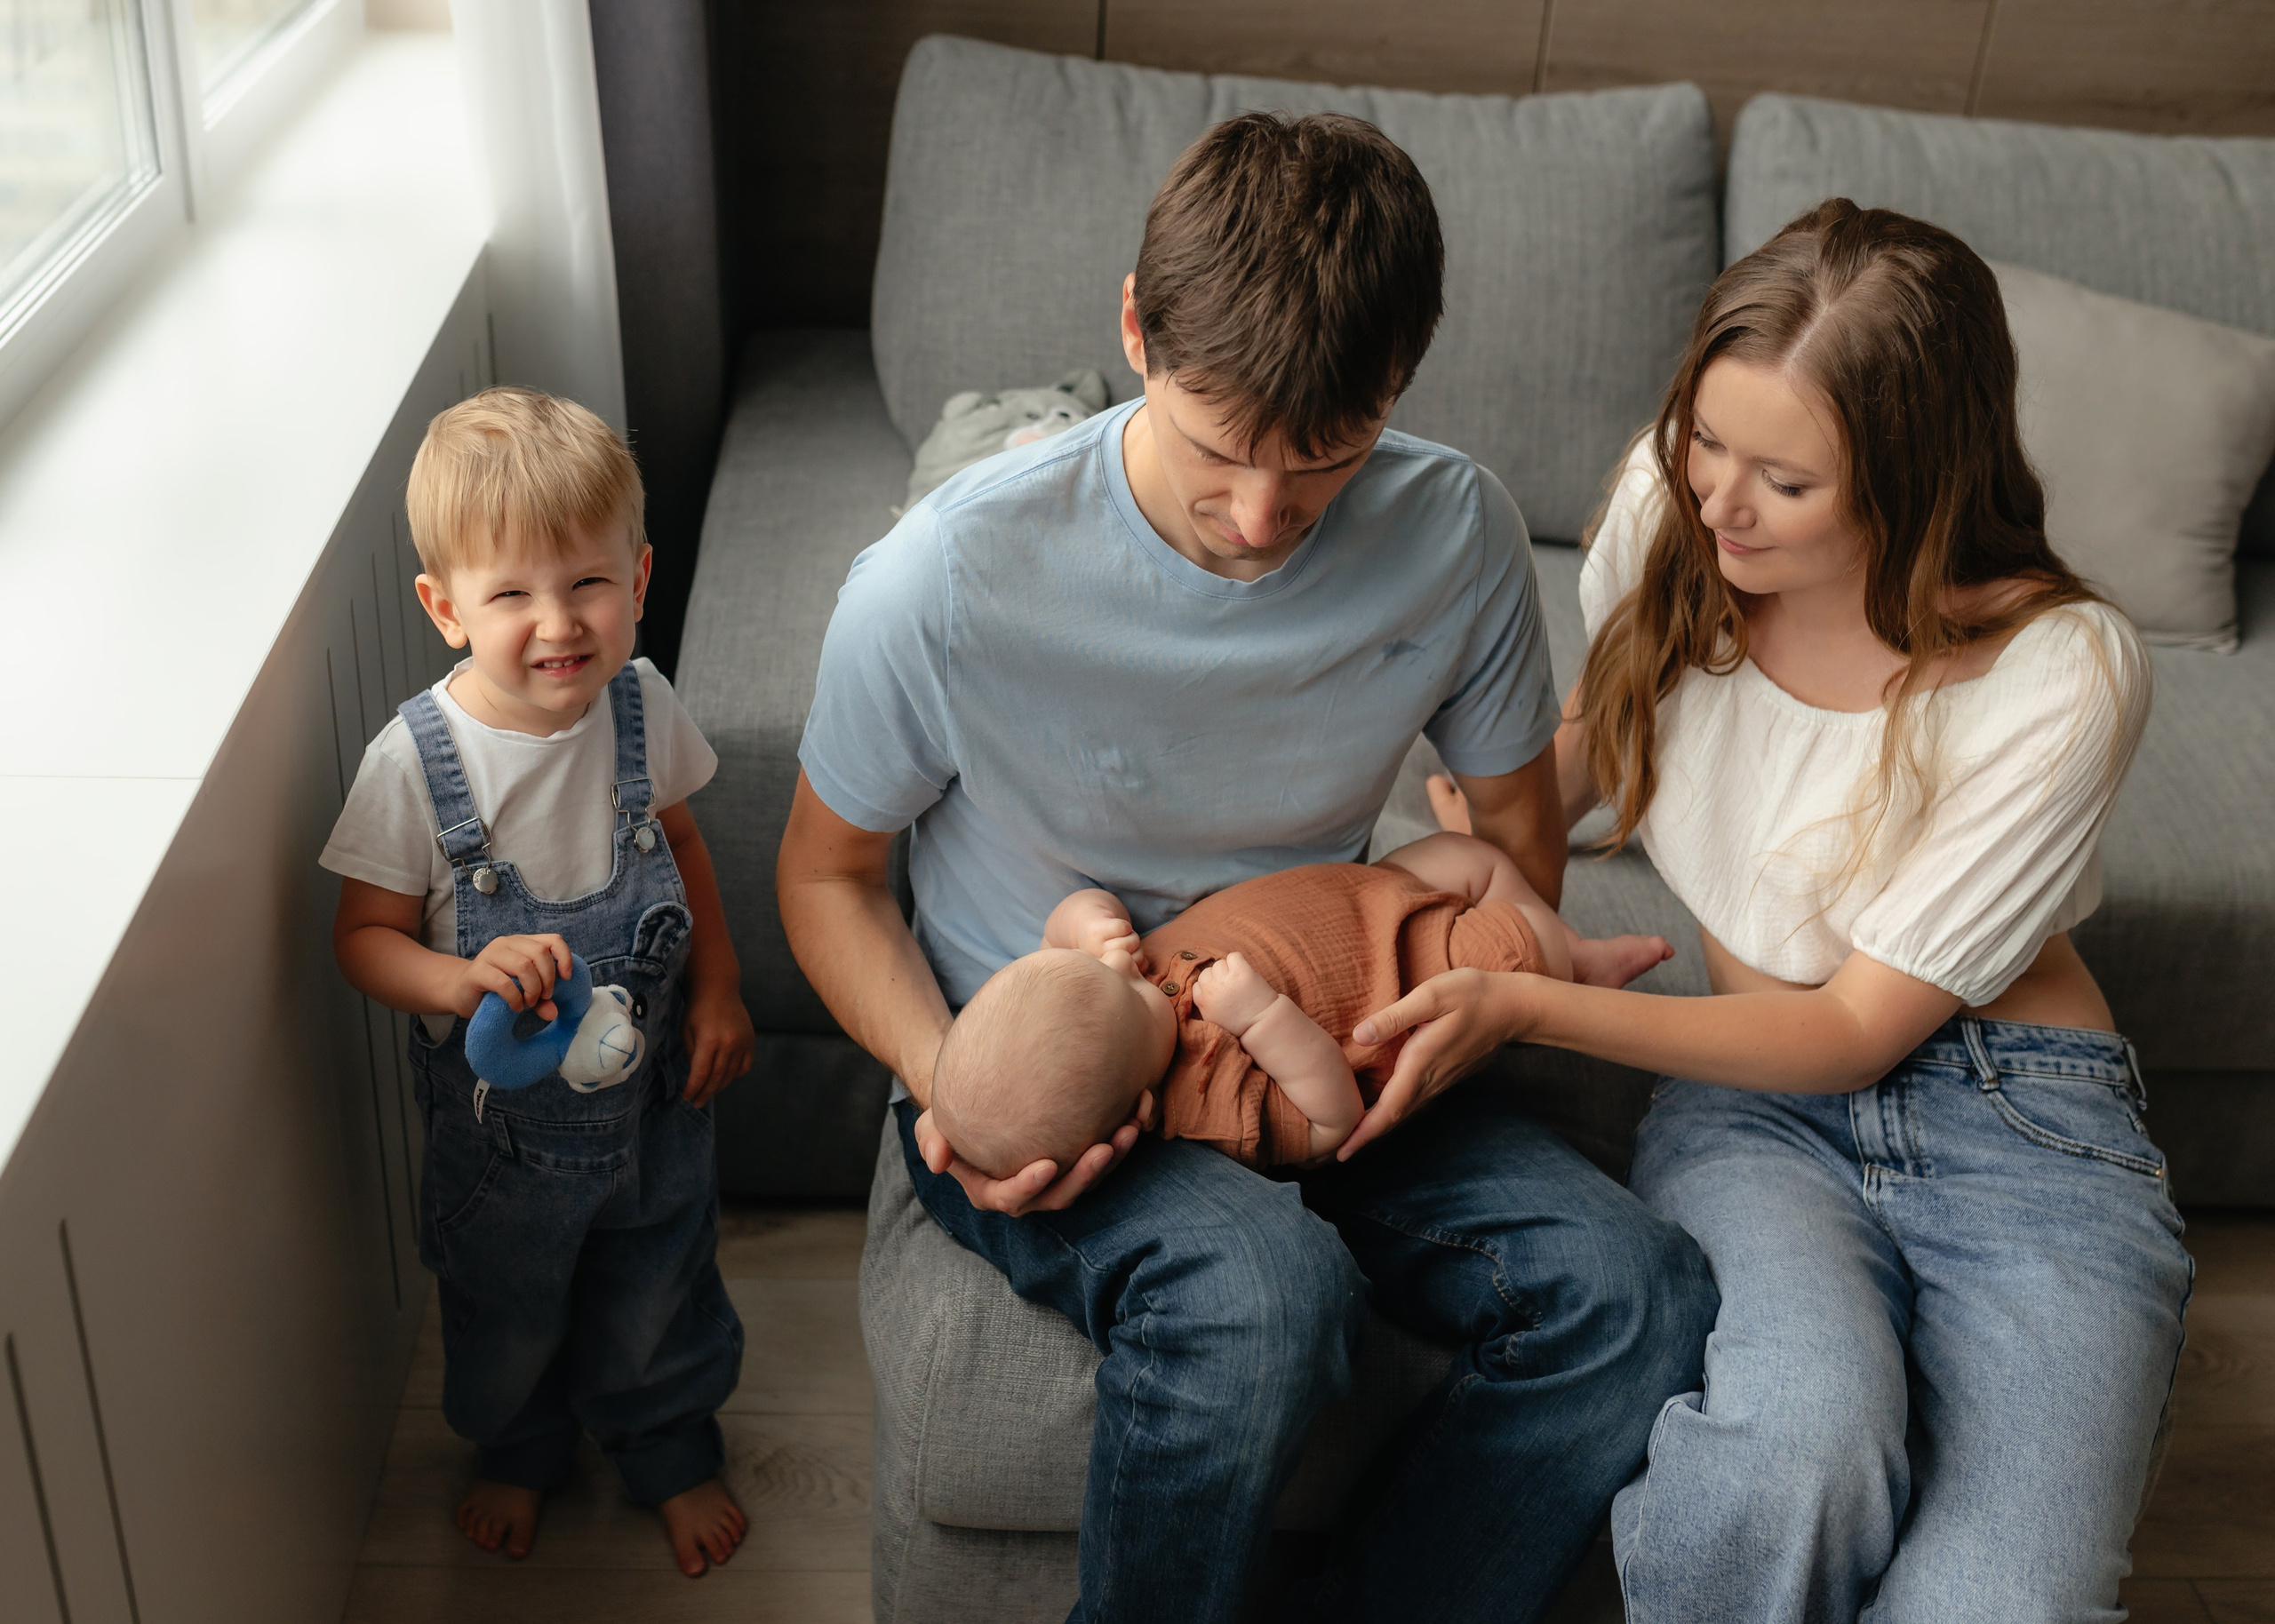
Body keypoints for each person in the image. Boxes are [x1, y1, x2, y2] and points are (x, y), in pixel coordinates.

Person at [778, 111, 1717, 1622]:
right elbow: (824, 880)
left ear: (1398, 380)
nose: (1266, 517)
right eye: (1221, 453)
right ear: (1136, 330)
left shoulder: (1458, 531)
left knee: (1640, 1295)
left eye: (1326, 460)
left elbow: (1519, 842)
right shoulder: (943, 578)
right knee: (1269, 1301)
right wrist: (956, 1076)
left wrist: (1469, 971)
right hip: (1067, 1074)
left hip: (1323, 1036)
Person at [1394, 200, 2194, 1620]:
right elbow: (1606, 726)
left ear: (1914, 477)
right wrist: (1468, 829)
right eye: (1707, 440)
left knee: (1997, 1603)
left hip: (2021, 1121)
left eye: (1785, 480)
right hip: (1757, 1116)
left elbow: (1852, 1032)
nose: (1717, 501)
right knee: (1787, 1460)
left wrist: (1524, 1001)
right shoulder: (1678, 512)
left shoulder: (2064, 668)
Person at [321, 388, 757, 1577]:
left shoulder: (639, 707)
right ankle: (519, 1449)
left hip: (653, 1103)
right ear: (445, 607)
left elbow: (689, 847)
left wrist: (718, 985)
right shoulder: (416, 761)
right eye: (511, 594)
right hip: (503, 1140)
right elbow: (363, 938)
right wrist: (461, 980)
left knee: (658, 1282)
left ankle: (666, 1446)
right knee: (507, 1305)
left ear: (640, 577)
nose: (558, 624)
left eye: (587, 585)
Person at [930, 832, 1672, 1175]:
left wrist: (1084, 925)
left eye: (1113, 970)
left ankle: (1571, 949)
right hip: (1417, 977)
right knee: (1527, 938)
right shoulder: (1212, 1106)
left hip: (1368, 898)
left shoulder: (1099, 980)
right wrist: (1260, 1019)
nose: (1136, 970)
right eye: (1134, 992)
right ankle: (1576, 963)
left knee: (1461, 855)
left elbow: (1071, 922)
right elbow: (1331, 1121)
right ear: (1138, 1112)